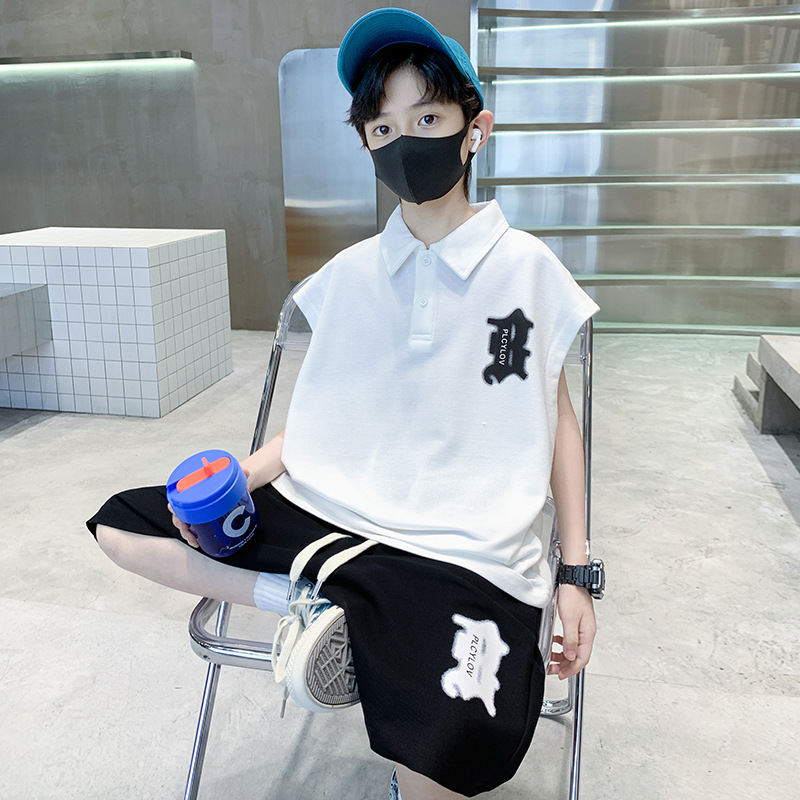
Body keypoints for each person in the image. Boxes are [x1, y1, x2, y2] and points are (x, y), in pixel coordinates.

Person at [88, 9, 600, 800]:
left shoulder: (527, 271)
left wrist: (576, 572)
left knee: (456, 749)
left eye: (427, 119)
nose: (405, 142)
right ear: (365, 143)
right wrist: (243, 474)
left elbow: (553, 421)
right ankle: (316, 604)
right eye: (383, 127)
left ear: (475, 130)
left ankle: (353, 622)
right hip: (338, 508)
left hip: (466, 546)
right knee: (124, 523)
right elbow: (333, 412)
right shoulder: (350, 276)